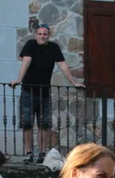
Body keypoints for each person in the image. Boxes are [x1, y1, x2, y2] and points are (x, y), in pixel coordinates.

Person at [9, 24, 84, 164]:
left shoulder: (53, 48)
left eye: (45, 34)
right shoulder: (30, 45)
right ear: (36, 35)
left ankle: (42, 153)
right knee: (27, 123)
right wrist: (19, 80)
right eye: (40, 34)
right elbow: (26, 62)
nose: (42, 36)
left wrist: (74, 82)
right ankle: (29, 154)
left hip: (44, 93)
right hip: (28, 91)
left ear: (48, 36)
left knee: (44, 125)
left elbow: (62, 65)